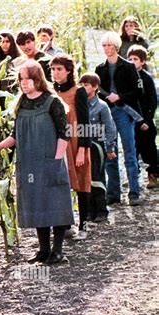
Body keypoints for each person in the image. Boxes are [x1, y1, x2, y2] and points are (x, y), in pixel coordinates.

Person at [0, 60, 74, 264]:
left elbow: (64, 134)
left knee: (56, 203)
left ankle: (58, 250)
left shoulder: (52, 102)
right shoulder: (21, 104)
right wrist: (0, 145)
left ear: (38, 80)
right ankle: (43, 250)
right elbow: (15, 135)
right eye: (21, 79)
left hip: (50, 161)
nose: (24, 83)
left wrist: (55, 162)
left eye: (28, 79)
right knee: (37, 203)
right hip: (29, 164)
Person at [95, 32, 143, 206]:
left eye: (110, 45)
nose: (107, 49)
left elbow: (138, 91)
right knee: (110, 151)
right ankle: (113, 193)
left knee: (129, 151)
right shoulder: (100, 68)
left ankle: (134, 192)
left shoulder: (128, 67)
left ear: (116, 46)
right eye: (104, 46)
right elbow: (96, 91)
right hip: (107, 112)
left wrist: (120, 96)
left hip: (124, 111)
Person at [51, 54, 91, 240]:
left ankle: (84, 225)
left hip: (76, 142)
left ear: (68, 71)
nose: (55, 73)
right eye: (53, 69)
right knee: (61, 182)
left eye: (59, 69)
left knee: (82, 182)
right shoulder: (50, 92)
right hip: (58, 142)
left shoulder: (78, 92)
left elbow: (84, 122)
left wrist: (82, 149)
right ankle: (65, 224)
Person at [79, 72, 117, 222]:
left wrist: (109, 147)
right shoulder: (78, 104)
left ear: (95, 87)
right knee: (85, 178)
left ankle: (102, 210)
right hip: (83, 145)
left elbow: (110, 127)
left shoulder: (102, 106)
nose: (83, 88)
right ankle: (89, 210)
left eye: (86, 85)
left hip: (97, 145)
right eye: (81, 85)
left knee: (98, 176)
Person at [127, 45, 158, 189]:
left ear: (143, 61)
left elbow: (152, 100)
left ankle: (153, 175)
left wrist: (147, 119)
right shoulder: (126, 77)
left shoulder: (146, 78)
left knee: (149, 150)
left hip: (145, 119)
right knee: (132, 149)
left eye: (136, 59)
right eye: (130, 59)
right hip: (130, 119)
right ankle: (133, 177)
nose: (132, 61)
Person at [0, 31, 21, 110]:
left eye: (7, 41)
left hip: (12, 97)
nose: (4, 44)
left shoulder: (18, 60)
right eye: (2, 42)